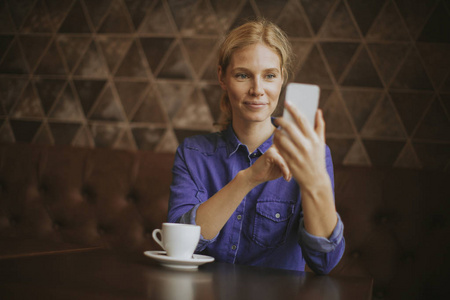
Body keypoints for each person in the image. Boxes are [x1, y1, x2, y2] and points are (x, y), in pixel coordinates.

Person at [168, 19, 344, 274]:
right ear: (222, 77)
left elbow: (324, 262)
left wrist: (316, 183)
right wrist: (248, 179)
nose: (257, 90)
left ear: (282, 79)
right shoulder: (193, 153)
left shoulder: (311, 154)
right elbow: (179, 244)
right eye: (243, 75)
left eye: (269, 76)